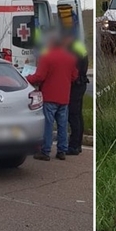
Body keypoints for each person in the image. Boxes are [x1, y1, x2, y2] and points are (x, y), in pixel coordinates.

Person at [26, 33, 79, 161]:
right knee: (63, 124)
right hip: (64, 97)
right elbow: (74, 76)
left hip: (49, 96)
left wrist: (26, 79)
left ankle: (46, 151)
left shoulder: (46, 57)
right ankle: (62, 151)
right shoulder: (70, 57)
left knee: (48, 125)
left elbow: (39, 77)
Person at [67, 38, 89, 155]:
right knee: (78, 115)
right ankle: (78, 144)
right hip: (81, 83)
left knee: (73, 115)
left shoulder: (73, 49)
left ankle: (74, 146)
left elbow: (73, 70)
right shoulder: (79, 46)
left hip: (76, 85)